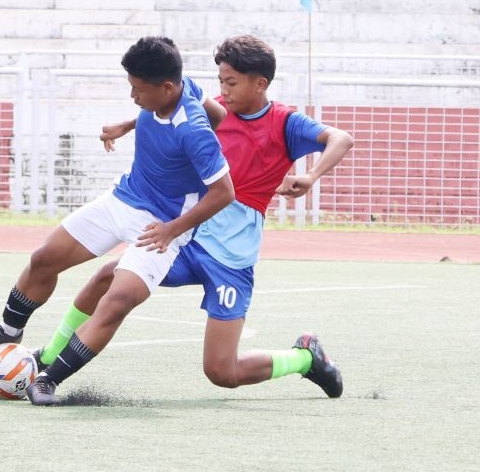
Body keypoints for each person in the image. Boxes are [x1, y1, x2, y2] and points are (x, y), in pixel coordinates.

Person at [34, 35, 355, 399]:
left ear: (260, 84)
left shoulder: (286, 123)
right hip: (187, 236)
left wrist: (311, 176)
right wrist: (128, 124)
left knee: (222, 371)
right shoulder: (216, 109)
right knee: (109, 278)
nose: (224, 90)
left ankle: (304, 358)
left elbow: (341, 138)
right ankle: (48, 357)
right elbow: (170, 110)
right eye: (221, 81)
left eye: (231, 83)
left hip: (231, 256)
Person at [0, 36, 235, 405]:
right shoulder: (181, 88)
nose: (133, 96)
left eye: (137, 90)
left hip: (161, 227)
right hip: (121, 199)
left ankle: (47, 381)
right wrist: (128, 125)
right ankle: (8, 329)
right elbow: (221, 114)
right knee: (44, 259)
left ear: (166, 87)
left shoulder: (194, 133)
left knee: (116, 301)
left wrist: (172, 230)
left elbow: (224, 193)